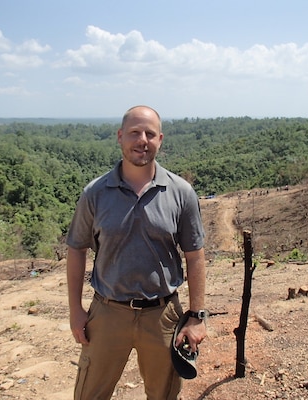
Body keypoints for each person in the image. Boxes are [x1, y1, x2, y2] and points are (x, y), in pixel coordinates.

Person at [66, 105, 207, 399]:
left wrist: (196, 316)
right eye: (134, 132)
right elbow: (77, 249)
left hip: (162, 315)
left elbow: (195, 255)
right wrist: (76, 310)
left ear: (160, 140)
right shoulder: (95, 193)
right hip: (107, 314)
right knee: (89, 393)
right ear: (120, 136)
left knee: (163, 394)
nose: (142, 140)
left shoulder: (180, 192)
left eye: (150, 134)